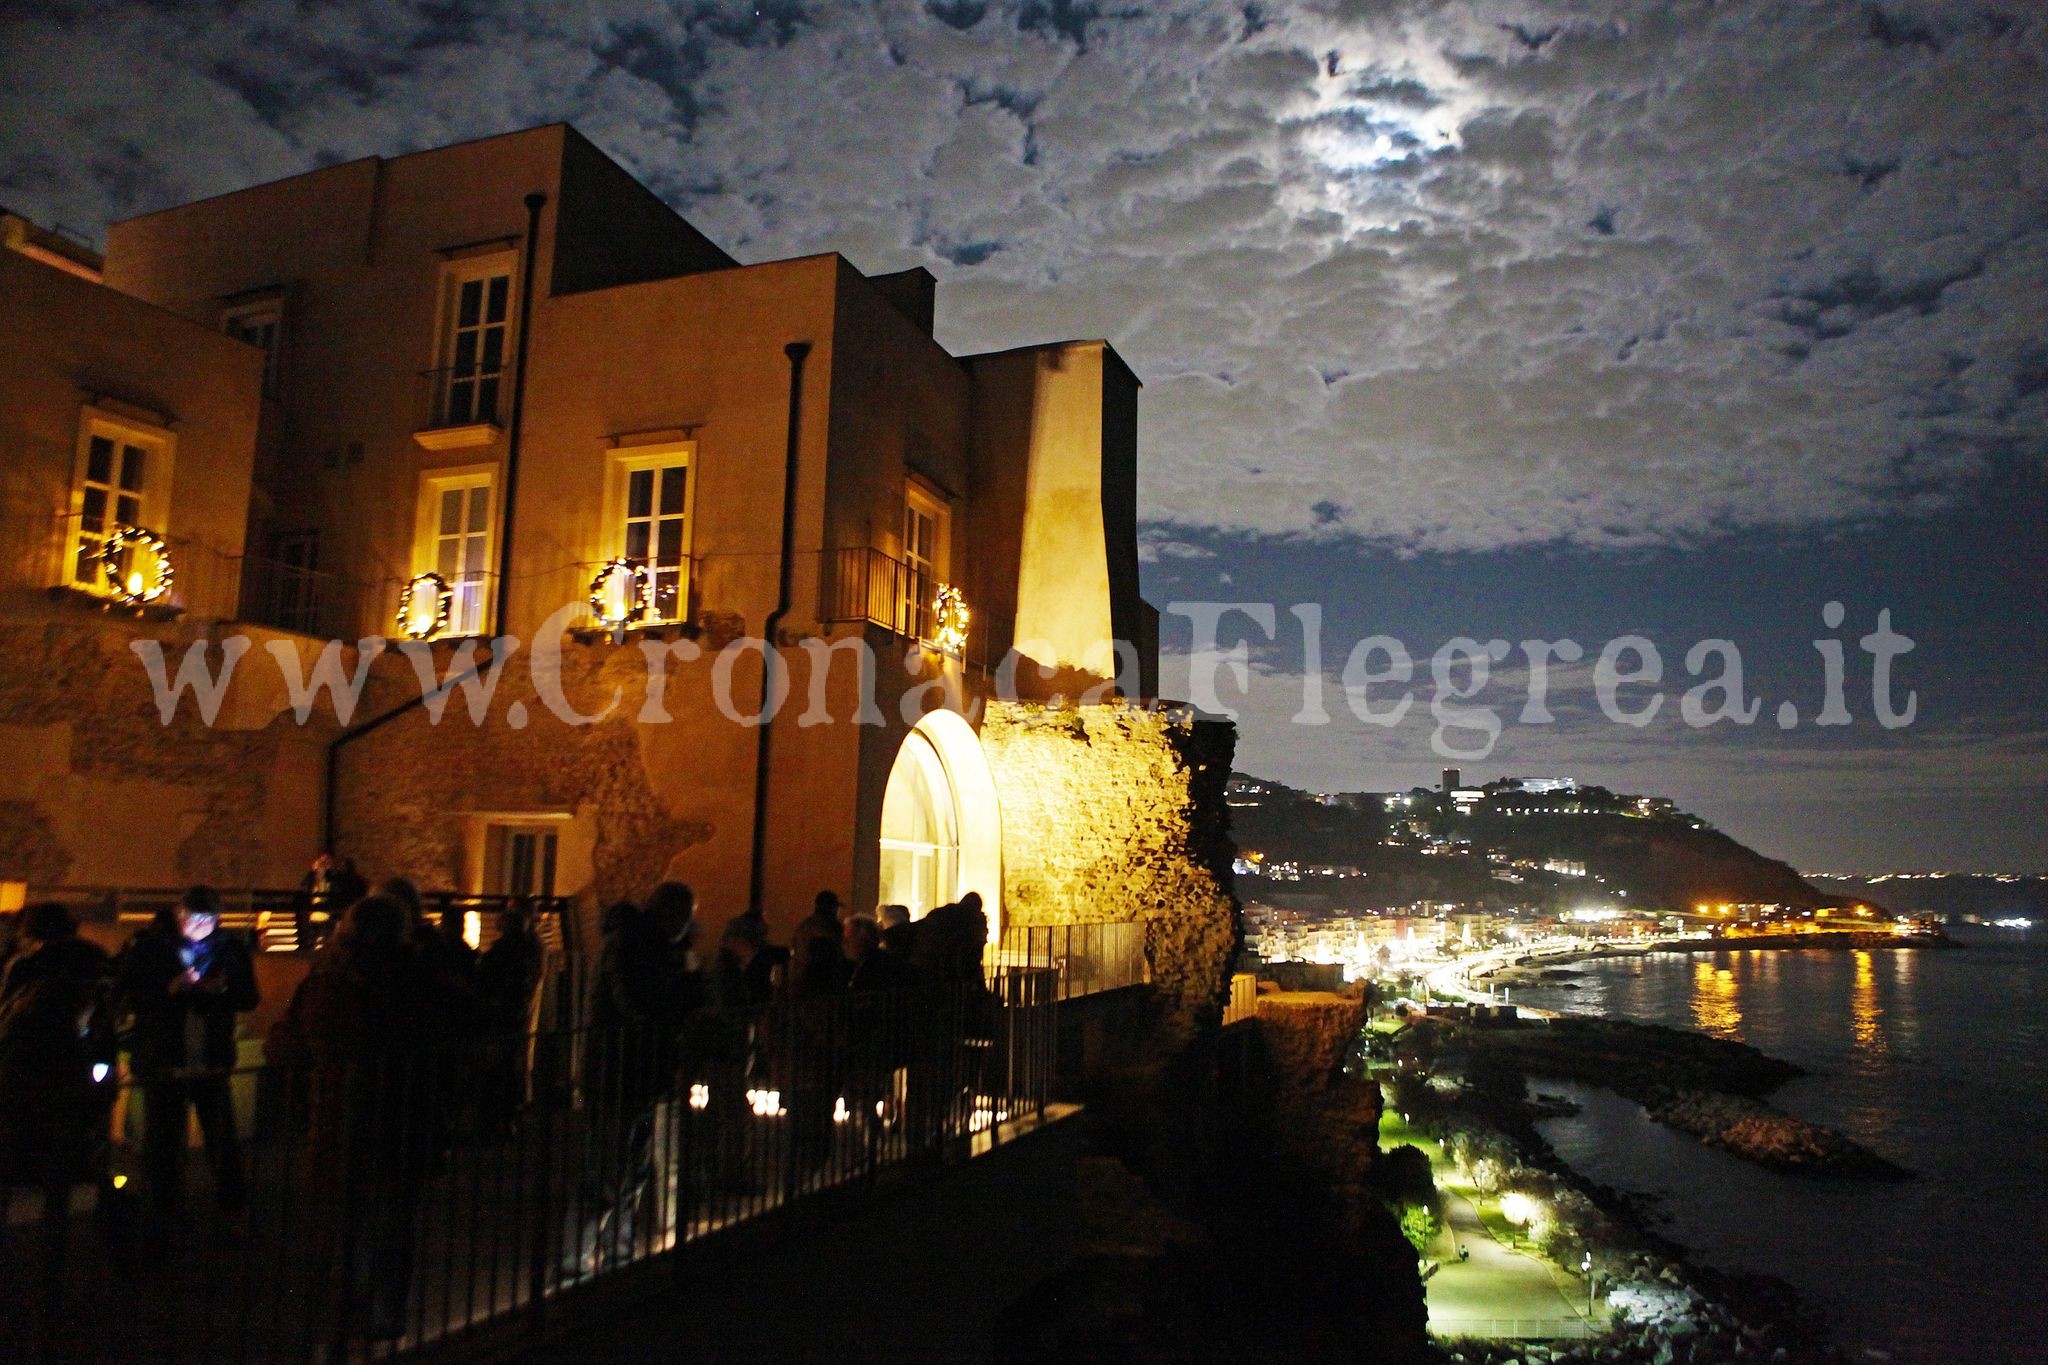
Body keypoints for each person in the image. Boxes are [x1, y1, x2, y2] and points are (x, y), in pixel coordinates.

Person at [267, 894, 435, 1340]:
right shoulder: (420, 980)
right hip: (403, 1117)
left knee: (345, 1224)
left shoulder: (329, 985)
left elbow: (285, 1044)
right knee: (394, 1225)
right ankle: (386, 1315)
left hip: (340, 1116)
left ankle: (344, 1315)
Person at [114, 886, 259, 1235]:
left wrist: (220, 991)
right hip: (165, 1059)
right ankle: (163, 1215)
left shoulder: (231, 949)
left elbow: (250, 997)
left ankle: (230, 1210)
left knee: (221, 1141)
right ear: (179, 917)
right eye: (194, 919)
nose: (201, 926)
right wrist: (170, 990)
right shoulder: (149, 948)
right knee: (163, 1143)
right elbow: (130, 995)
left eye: (208, 920)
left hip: (209, 1059)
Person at [573, 886, 702, 1275]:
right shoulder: (631, 945)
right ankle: (573, 1260)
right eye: (682, 914)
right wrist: (685, 989)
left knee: (632, 1170)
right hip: (618, 1071)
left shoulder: (647, 946)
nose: (685, 924)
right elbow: (640, 1002)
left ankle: (617, 1254)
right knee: (609, 1169)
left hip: (640, 1073)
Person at [0, 904, 116, 1260]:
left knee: (13, 1156)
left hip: (31, 1075)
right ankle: (60, 1244)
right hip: (82, 1070)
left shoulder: (27, 965)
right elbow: (108, 1014)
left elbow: (9, 1018)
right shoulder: (96, 959)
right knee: (68, 1161)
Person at [476, 899, 544, 1134]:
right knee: (512, 1065)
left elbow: (485, 983)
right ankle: (510, 1116)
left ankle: (494, 1120)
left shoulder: (498, 955)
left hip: (500, 1017)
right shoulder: (529, 950)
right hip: (516, 1015)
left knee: (497, 1067)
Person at [788, 890, 848, 1001]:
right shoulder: (834, 928)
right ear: (833, 908)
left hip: (800, 983)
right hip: (825, 985)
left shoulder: (804, 926)